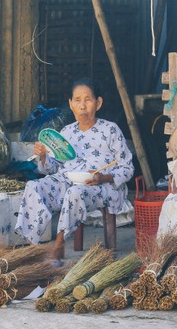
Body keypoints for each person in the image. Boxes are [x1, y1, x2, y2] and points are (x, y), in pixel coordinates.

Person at [15, 78, 134, 260]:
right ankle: (32, 245)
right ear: (71, 104)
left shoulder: (110, 130)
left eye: (88, 100)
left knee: (75, 192)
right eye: (77, 100)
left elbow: (127, 168)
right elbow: (53, 168)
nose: (83, 106)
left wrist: (104, 177)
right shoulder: (66, 133)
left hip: (103, 186)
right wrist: (44, 156)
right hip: (69, 180)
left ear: (98, 103)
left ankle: (59, 244)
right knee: (34, 186)